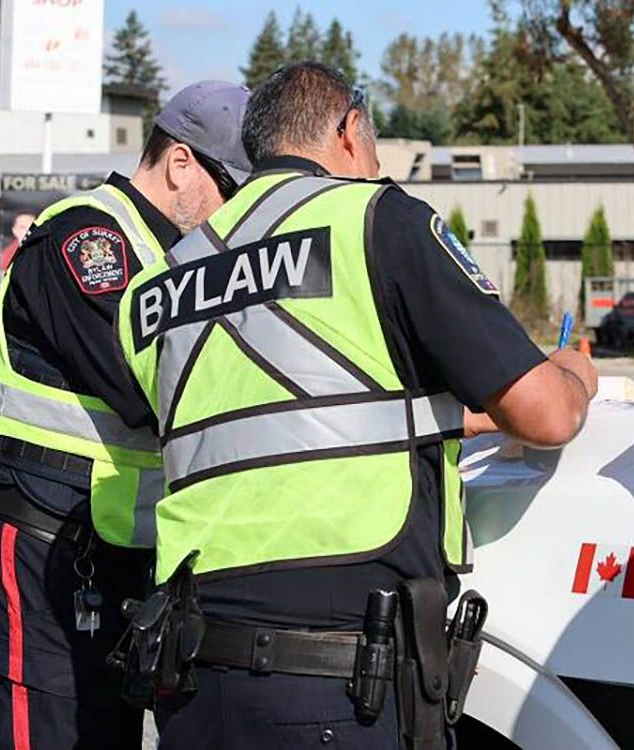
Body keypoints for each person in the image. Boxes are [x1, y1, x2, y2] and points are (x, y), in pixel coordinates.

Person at [117, 62, 597, 749]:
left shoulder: (159, 285)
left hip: (194, 678)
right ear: (349, 130)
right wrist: (576, 374)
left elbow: (294, 417)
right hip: (339, 682)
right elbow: (548, 416)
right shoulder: (377, 219)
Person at [0, 81, 251, 750]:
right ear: (181, 163)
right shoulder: (91, 240)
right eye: (230, 190)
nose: (234, 212)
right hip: (47, 556)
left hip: (123, 562)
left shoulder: (182, 259)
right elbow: (149, 381)